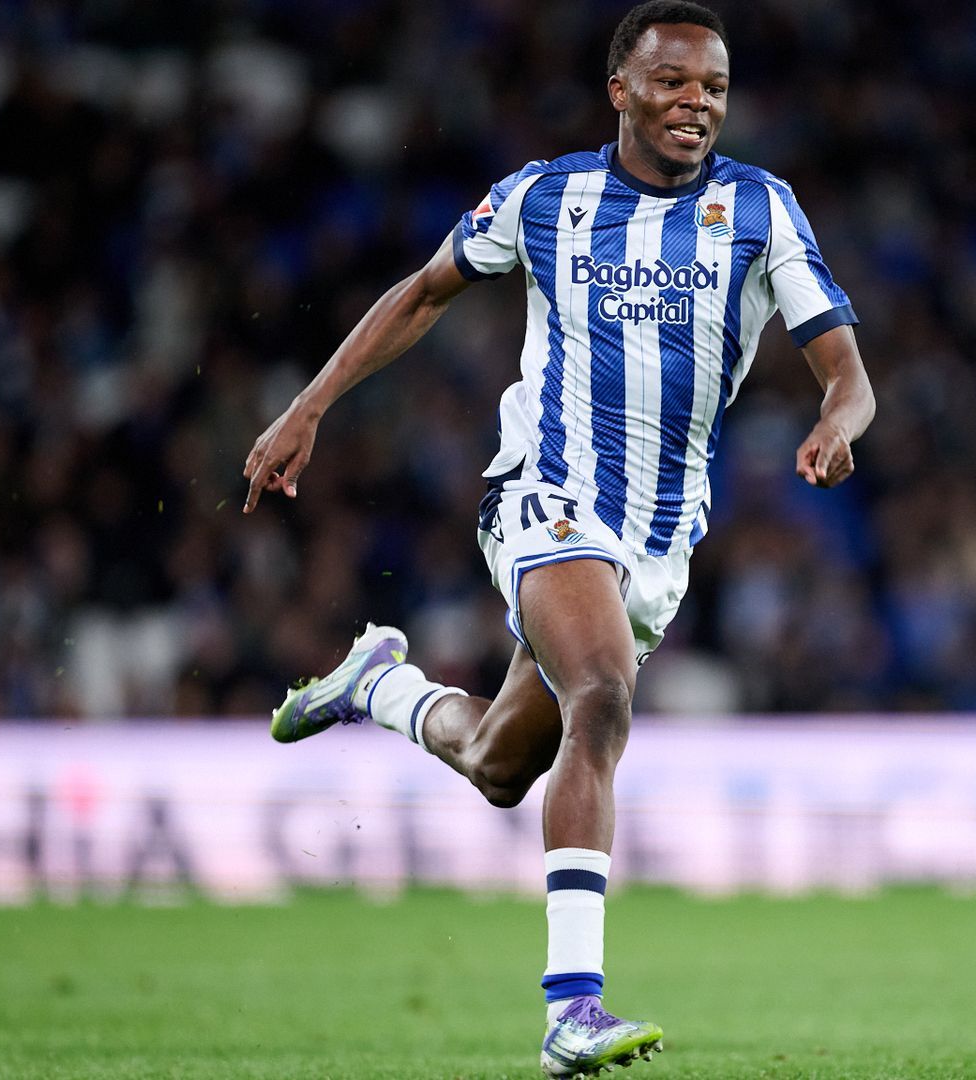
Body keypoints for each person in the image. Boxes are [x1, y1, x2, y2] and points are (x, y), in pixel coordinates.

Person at [242, 2, 874, 1073]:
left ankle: (379, 685)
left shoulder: (759, 211)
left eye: (713, 88)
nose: (697, 103)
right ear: (621, 89)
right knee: (604, 696)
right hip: (545, 492)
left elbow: (848, 372)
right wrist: (310, 404)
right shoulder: (545, 198)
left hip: (659, 545)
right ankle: (571, 1009)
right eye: (674, 82)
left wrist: (835, 420)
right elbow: (424, 292)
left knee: (499, 764)